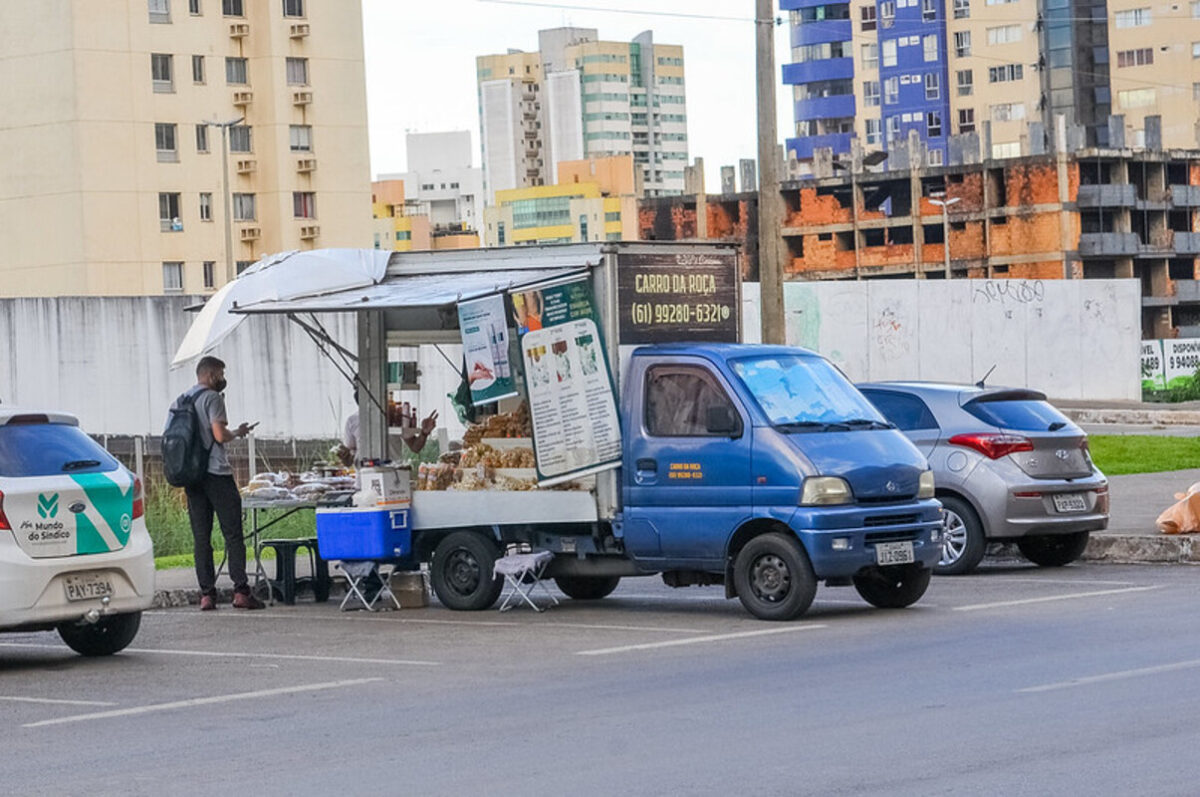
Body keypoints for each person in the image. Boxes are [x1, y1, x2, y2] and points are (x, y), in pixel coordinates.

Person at [173, 356, 263, 611]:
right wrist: (237, 432)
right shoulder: (213, 398)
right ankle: (241, 591)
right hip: (216, 473)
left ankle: (206, 594)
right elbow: (219, 434)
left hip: (192, 476)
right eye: (221, 374)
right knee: (233, 533)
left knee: (201, 537)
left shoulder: (181, 400)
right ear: (211, 374)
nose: (223, 379)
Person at [337, 388, 438, 466]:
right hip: (364, 480)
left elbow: (415, 447)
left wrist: (424, 433)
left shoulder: (394, 416)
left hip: (393, 478)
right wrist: (344, 457)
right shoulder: (352, 421)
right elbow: (349, 460)